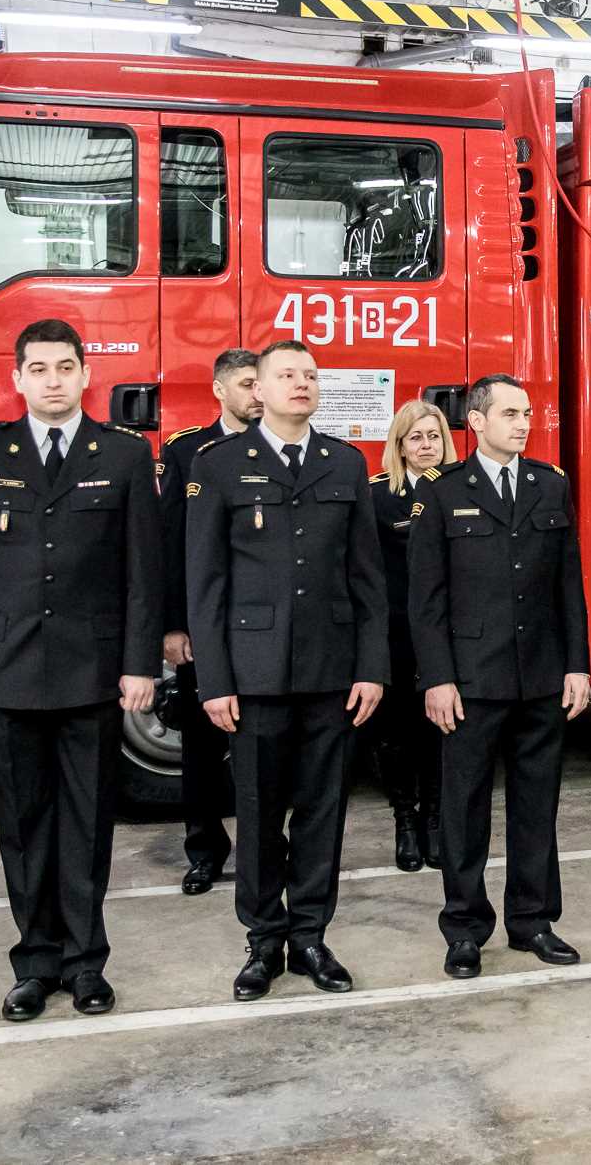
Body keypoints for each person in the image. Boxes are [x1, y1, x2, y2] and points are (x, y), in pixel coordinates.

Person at [0, 320, 161, 1022]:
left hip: (92, 670)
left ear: (86, 374)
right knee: (24, 825)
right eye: (39, 368)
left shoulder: (125, 454)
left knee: (88, 826)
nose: (53, 380)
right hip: (9, 669)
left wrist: (140, 663)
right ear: (18, 378)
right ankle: (35, 963)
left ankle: (86, 963)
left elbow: (143, 573)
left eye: (65, 366)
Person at [187, 340, 389, 999]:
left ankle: (309, 936)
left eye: (310, 375)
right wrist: (215, 680)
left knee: (322, 811)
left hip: (332, 671)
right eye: (286, 375)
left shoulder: (344, 462)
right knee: (258, 810)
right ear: (259, 389)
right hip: (255, 674)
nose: (301, 384)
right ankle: (263, 939)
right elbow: (205, 583)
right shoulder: (219, 464)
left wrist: (372, 666)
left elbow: (367, 577)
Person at [408, 374, 591, 979]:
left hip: (539, 675)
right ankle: (464, 930)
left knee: (536, 806)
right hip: (470, 682)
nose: (523, 423)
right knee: (464, 810)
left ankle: (533, 921)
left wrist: (577, 664)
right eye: (510, 413)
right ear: (478, 422)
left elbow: (568, 584)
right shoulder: (442, 493)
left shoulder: (549, 485)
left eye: (528, 413)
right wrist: (437, 678)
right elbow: (426, 599)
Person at [157, 348, 261, 896]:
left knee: (265, 749)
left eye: (260, 382)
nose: (256, 393)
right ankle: (204, 850)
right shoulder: (185, 451)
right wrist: (173, 625)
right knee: (200, 745)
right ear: (220, 390)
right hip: (206, 625)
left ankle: (266, 851)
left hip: (264, 628)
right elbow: (171, 542)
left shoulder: (280, 448)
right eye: (245, 384)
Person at [370, 398, 455, 870]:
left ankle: (437, 821)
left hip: (446, 634)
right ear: (400, 445)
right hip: (396, 635)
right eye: (416, 437)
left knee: (442, 731)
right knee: (395, 734)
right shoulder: (378, 496)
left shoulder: (461, 488)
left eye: (434, 436)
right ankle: (405, 820)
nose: (426, 445)